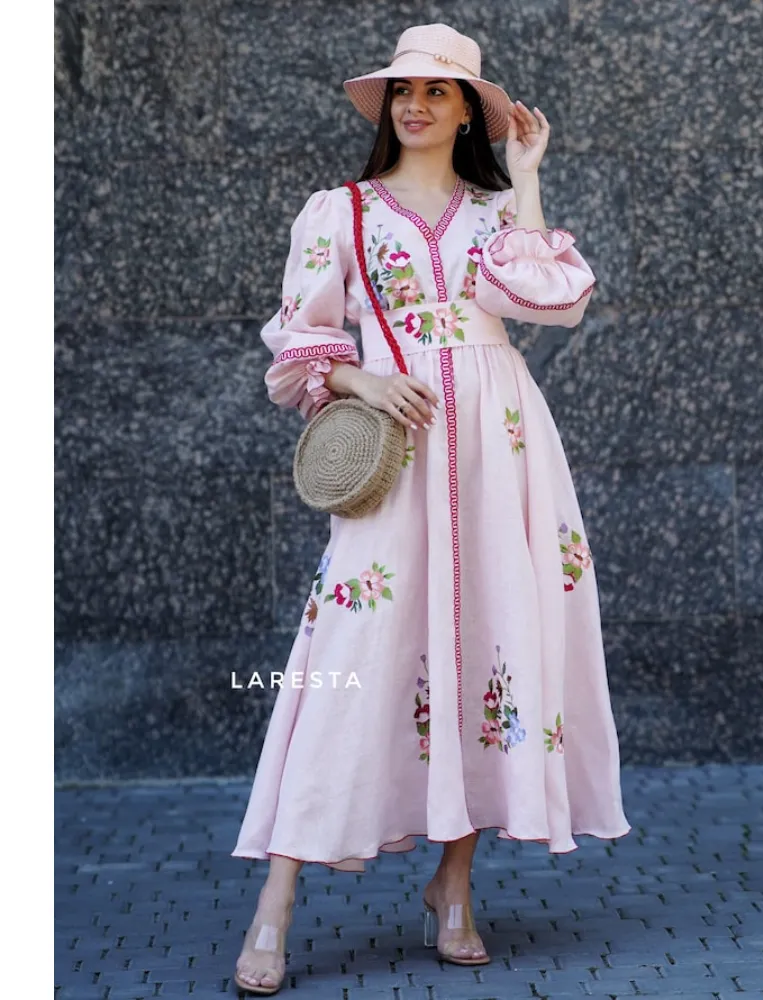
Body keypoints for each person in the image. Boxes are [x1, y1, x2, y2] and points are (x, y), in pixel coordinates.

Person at [231, 22, 631, 995]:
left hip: (500, 444)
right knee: (353, 652)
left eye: (440, 92)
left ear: (468, 113)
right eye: (405, 89)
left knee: (491, 639)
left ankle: (453, 886)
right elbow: (299, 336)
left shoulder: (496, 212)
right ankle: (274, 902)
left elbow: (552, 299)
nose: (416, 104)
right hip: (398, 448)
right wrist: (360, 382)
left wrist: (528, 175)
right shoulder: (340, 212)